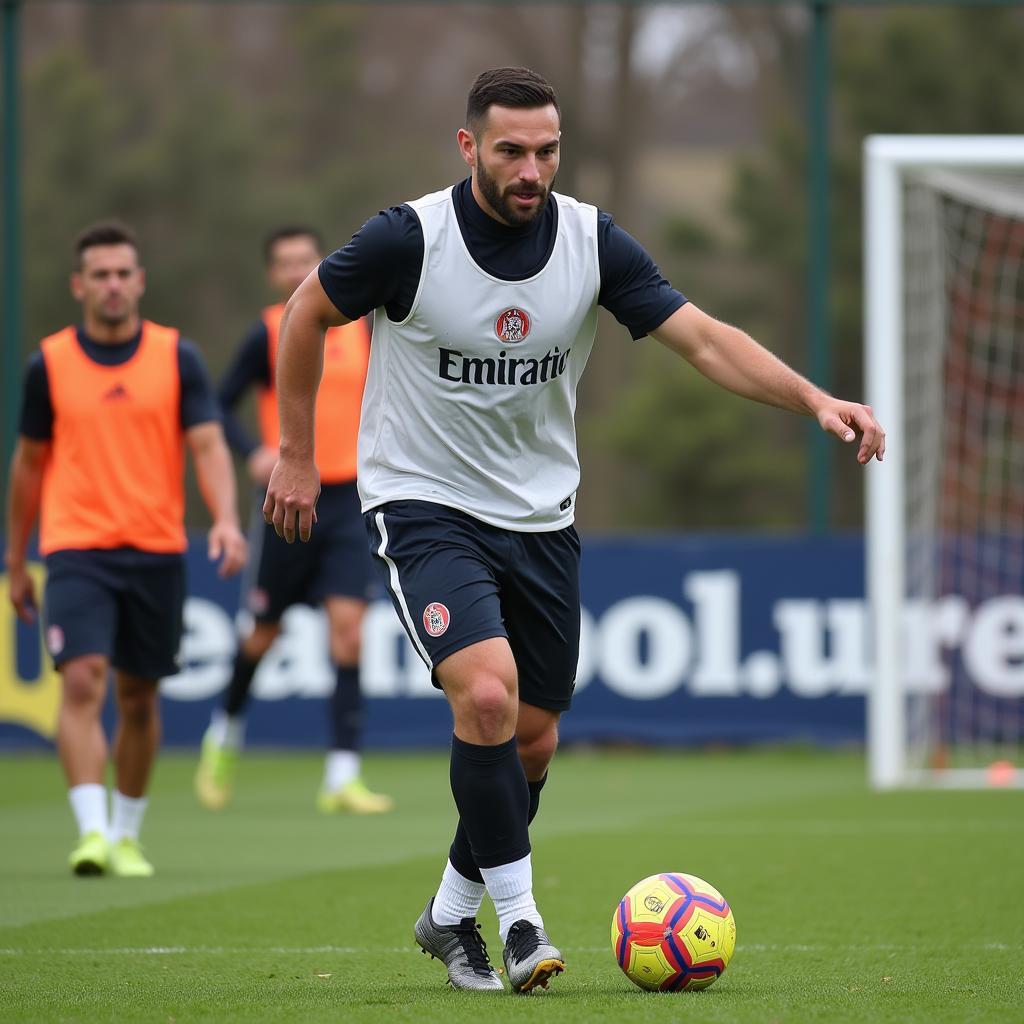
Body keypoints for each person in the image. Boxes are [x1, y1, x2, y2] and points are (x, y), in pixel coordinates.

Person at [263, 67, 885, 993]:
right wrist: (299, 452)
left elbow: (705, 339)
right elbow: (306, 310)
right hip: (423, 502)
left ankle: (446, 915)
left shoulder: (592, 243)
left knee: (533, 739)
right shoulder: (408, 238)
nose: (531, 169)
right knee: (485, 696)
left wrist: (813, 399)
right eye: (511, 149)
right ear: (468, 146)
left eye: (547, 150)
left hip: (542, 517)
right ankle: (519, 928)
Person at [4, 221, 247, 878]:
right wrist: (14, 557)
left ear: (139, 282)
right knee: (82, 681)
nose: (112, 285)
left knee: (139, 697)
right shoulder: (48, 364)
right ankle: (91, 834)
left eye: (123, 273)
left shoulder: (176, 357)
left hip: (156, 548)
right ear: (79, 285)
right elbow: (28, 465)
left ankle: (127, 833)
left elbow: (206, 445)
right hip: (76, 546)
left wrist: (225, 518)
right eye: (100, 275)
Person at [194, 226, 392, 815]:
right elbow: (215, 403)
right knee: (262, 633)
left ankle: (342, 775)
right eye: (285, 263)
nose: (296, 270)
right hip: (287, 500)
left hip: (350, 499)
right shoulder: (267, 332)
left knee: (349, 632)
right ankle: (224, 735)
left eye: (306, 260)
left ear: (323, 263)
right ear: (272, 274)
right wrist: (252, 452)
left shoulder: (360, 327)